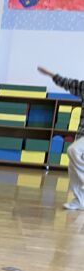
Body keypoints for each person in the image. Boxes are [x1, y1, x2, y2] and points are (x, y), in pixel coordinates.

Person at [37, 66, 84, 210]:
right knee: (73, 165)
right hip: (82, 135)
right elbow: (68, 83)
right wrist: (50, 74)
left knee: (73, 150)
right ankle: (80, 200)